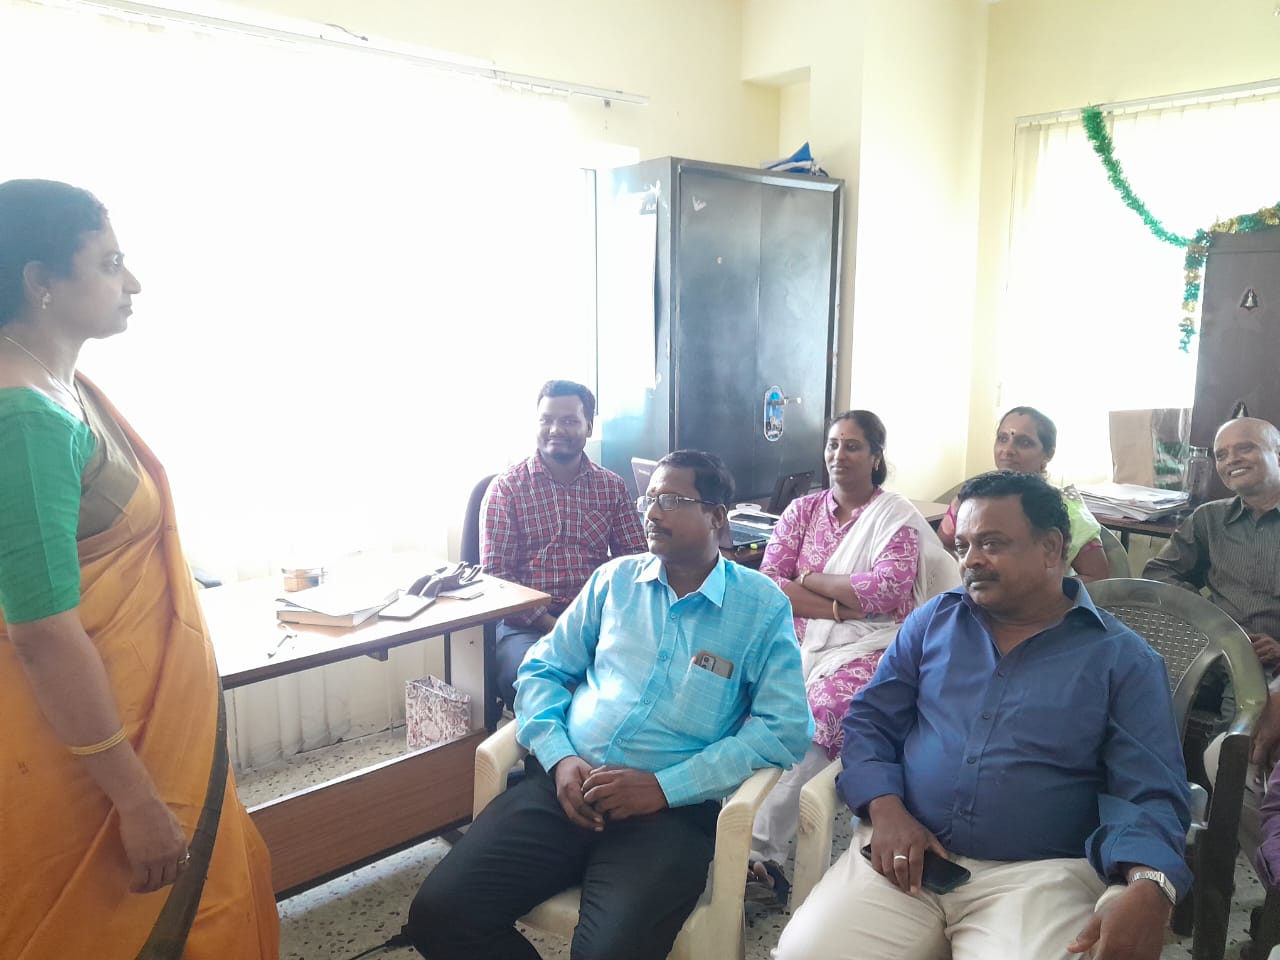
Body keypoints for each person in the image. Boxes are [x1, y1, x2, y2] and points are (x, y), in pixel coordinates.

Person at [0, 180, 278, 957]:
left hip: (144, 726)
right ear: (40, 280)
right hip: (89, 766)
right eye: (109, 263)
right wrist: (135, 799)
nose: (134, 282)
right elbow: (42, 634)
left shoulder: (62, 388)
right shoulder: (22, 418)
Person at [407, 450, 812, 960]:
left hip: (668, 816)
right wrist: (559, 757)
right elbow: (542, 670)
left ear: (716, 516)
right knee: (439, 917)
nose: (652, 513)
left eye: (671, 500)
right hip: (564, 787)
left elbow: (783, 727)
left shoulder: (760, 606)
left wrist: (665, 788)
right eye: (649, 499)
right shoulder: (614, 581)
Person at [775, 471, 1191, 960]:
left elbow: (1149, 790)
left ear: (1051, 548)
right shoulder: (934, 621)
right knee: (806, 953)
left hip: (1036, 877)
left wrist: (1148, 881)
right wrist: (887, 811)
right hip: (906, 853)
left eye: (991, 543)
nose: (970, 559)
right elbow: (870, 722)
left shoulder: (1122, 660)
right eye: (963, 545)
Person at [746, 411, 958, 903]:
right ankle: (718, 826)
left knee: (816, 713)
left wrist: (810, 579)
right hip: (795, 637)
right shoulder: (802, 511)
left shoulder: (895, 517)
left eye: (853, 446)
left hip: (871, 643)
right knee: (739, 693)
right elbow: (770, 584)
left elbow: (885, 592)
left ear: (876, 457)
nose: (839, 455)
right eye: (833, 444)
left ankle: (761, 855)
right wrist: (841, 606)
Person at [1145, 416, 1280, 856]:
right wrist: (1214, 621)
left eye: (1244, 448)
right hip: (1213, 648)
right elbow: (1159, 574)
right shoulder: (1210, 519)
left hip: (1268, 663)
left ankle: (1233, 853)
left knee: (1237, 746)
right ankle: (1156, 824)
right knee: (1135, 691)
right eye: (1221, 454)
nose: (1230, 460)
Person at [481, 378, 646, 709]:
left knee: (640, 681)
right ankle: (554, 744)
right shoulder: (507, 488)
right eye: (546, 420)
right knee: (544, 684)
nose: (556, 429)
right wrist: (552, 625)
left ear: (589, 427)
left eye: (569, 420)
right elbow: (497, 579)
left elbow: (636, 562)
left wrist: (605, 622)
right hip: (527, 625)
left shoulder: (611, 487)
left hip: (597, 618)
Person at [936, 405, 1108, 582]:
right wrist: (971, 575)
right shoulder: (971, 500)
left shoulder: (1067, 511)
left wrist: (1037, 589)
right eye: (1002, 439)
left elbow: (1097, 577)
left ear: (1048, 454)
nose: (1008, 450)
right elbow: (940, 549)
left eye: (1024, 443)